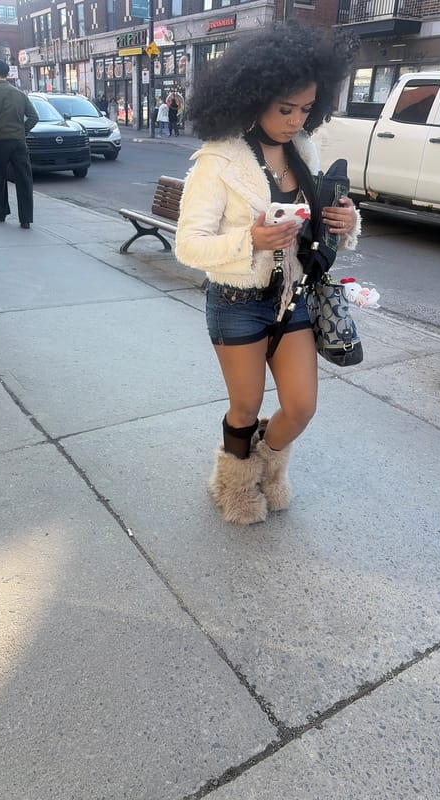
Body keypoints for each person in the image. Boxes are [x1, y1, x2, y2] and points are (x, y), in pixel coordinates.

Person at [175, 22, 361, 525]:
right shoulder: (218, 159)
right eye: (285, 108)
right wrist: (248, 242)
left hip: (291, 299)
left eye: (305, 109)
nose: (295, 119)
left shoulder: (305, 148)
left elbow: (313, 221)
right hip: (236, 303)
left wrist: (341, 220)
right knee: (245, 407)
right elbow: (187, 246)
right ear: (253, 96)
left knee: (300, 408)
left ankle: (260, 467)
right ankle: (234, 487)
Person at [0, 59, 39, 229]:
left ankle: (1, 211)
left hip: (1, 142)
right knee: (24, 179)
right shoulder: (20, 94)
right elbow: (34, 117)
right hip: (19, 142)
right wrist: (22, 131)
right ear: (8, 74)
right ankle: (25, 218)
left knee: (0, 177)